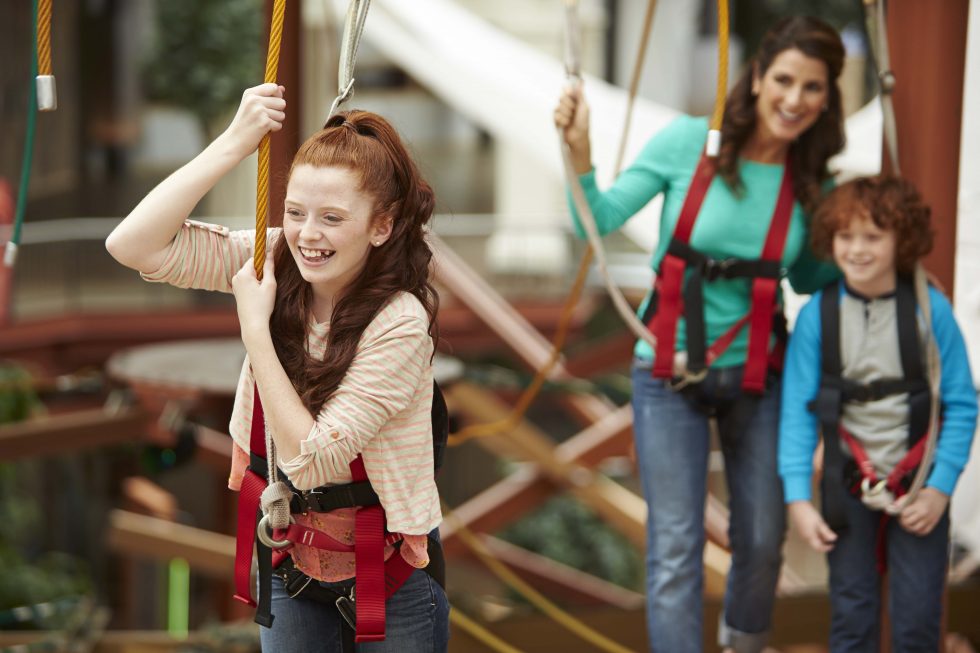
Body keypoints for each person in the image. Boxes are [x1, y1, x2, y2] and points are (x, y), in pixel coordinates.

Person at [106, 83, 450, 652]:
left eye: (332, 218)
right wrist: (233, 143)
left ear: (381, 226)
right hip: (291, 554)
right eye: (295, 212)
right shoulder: (275, 261)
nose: (308, 234)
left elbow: (313, 462)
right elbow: (132, 246)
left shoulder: (400, 322)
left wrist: (255, 330)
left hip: (392, 571)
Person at [554, 16, 847, 653]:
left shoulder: (810, 179)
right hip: (668, 373)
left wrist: (857, 242)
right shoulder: (688, 143)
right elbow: (596, 221)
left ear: (828, 98)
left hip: (759, 374)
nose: (795, 99)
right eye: (785, 80)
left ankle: (743, 644)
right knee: (676, 544)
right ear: (758, 77)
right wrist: (579, 153)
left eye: (812, 88)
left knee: (763, 538)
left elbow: (808, 275)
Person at [779, 175, 977, 652]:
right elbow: (797, 411)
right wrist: (798, 499)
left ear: (900, 241)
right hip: (848, 484)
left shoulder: (931, 311)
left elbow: (962, 403)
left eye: (872, 237)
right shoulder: (816, 316)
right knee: (852, 615)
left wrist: (939, 489)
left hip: (919, 486)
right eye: (845, 236)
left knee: (917, 619)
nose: (857, 250)